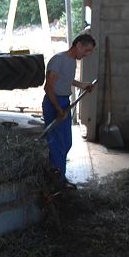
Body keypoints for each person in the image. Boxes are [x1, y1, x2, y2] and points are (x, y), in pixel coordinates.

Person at [42, 34, 96, 188]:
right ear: (78, 45)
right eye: (86, 51)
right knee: (57, 144)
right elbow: (48, 88)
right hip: (54, 103)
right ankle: (56, 183)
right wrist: (59, 109)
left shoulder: (71, 61)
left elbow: (66, 79)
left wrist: (82, 85)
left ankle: (59, 176)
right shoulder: (58, 60)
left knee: (66, 143)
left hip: (64, 102)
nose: (86, 55)